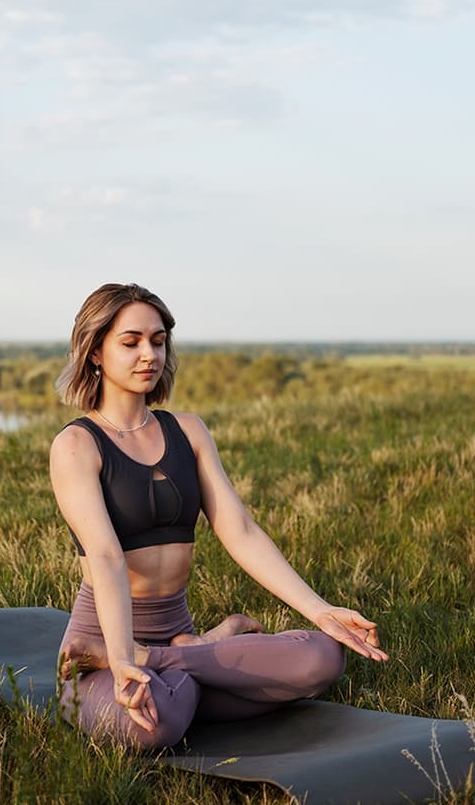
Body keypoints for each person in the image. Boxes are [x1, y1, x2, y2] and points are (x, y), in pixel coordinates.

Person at [50, 283, 388, 750]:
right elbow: (107, 558)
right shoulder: (76, 445)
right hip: (99, 650)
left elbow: (240, 530)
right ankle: (197, 657)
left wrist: (321, 610)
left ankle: (177, 658)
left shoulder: (187, 431)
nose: (149, 354)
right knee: (155, 727)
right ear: (96, 353)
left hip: (173, 635)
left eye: (158, 340)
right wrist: (124, 657)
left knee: (323, 658)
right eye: (130, 342)